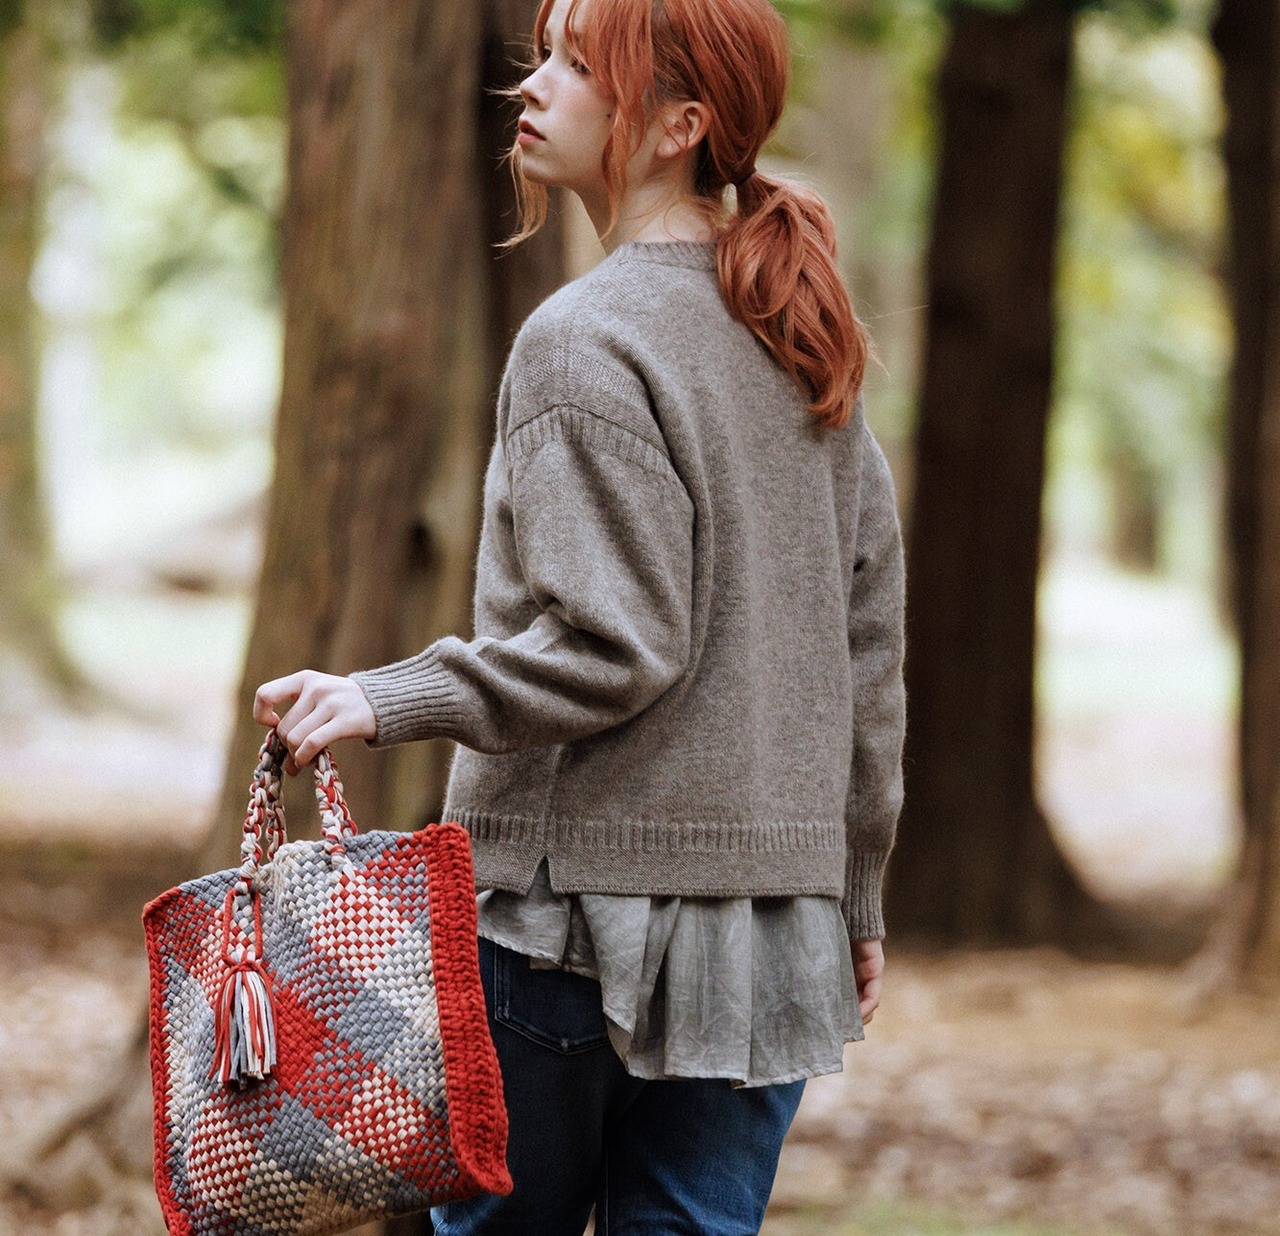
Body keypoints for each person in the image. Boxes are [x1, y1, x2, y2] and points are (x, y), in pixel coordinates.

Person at [253, 0, 906, 1230]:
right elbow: (866, 652)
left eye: (575, 63)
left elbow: (613, 646)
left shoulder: (582, 338)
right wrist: (848, 894)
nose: (532, 84)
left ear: (675, 125)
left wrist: (384, 697)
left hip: (570, 928)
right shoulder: (801, 332)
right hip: (771, 931)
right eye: (542, 52)